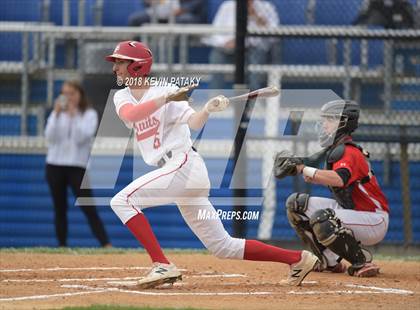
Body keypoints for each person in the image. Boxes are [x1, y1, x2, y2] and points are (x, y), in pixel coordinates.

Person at [105, 40, 319, 289]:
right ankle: (298, 259)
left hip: (182, 164)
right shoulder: (123, 96)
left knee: (122, 200)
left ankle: (161, 264)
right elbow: (132, 115)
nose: (115, 68)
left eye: (120, 62)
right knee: (223, 246)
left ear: (137, 66)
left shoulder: (167, 90)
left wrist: (207, 109)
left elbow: (195, 123)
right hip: (177, 171)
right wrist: (165, 99)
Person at [274, 100, 389, 277]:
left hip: (373, 218)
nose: (324, 124)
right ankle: (329, 261)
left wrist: (304, 169)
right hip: (353, 212)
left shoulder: (349, 151)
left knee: (323, 218)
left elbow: (339, 179)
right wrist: (299, 166)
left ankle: (361, 262)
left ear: (344, 122)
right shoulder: (337, 149)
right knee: (296, 204)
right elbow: (317, 171)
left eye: (330, 119)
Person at [45, 80, 111, 248]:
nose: (68, 98)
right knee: (60, 208)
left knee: (88, 207)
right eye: (65, 94)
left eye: (71, 94)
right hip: (55, 165)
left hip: (77, 166)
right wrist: (56, 114)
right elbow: (50, 136)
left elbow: (82, 137)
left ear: (79, 95)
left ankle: (105, 244)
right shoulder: (57, 114)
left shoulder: (89, 114)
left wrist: (74, 115)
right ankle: (62, 245)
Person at [203, 0, 279, 91]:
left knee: (256, 58)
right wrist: (227, 42)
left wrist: (255, 16)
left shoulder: (265, 7)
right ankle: (215, 99)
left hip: (252, 49)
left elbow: (274, 35)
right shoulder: (227, 6)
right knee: (216, 57)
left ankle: (253, 98)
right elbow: (215, 33)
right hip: (228, 49)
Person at [128, 0, 206, 26]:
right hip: (159, 14)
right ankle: (135, 52)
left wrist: (182, 9)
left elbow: (197, 3)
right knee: (135, 19)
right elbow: (146, 3)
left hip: (182, 14)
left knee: (182, 20)